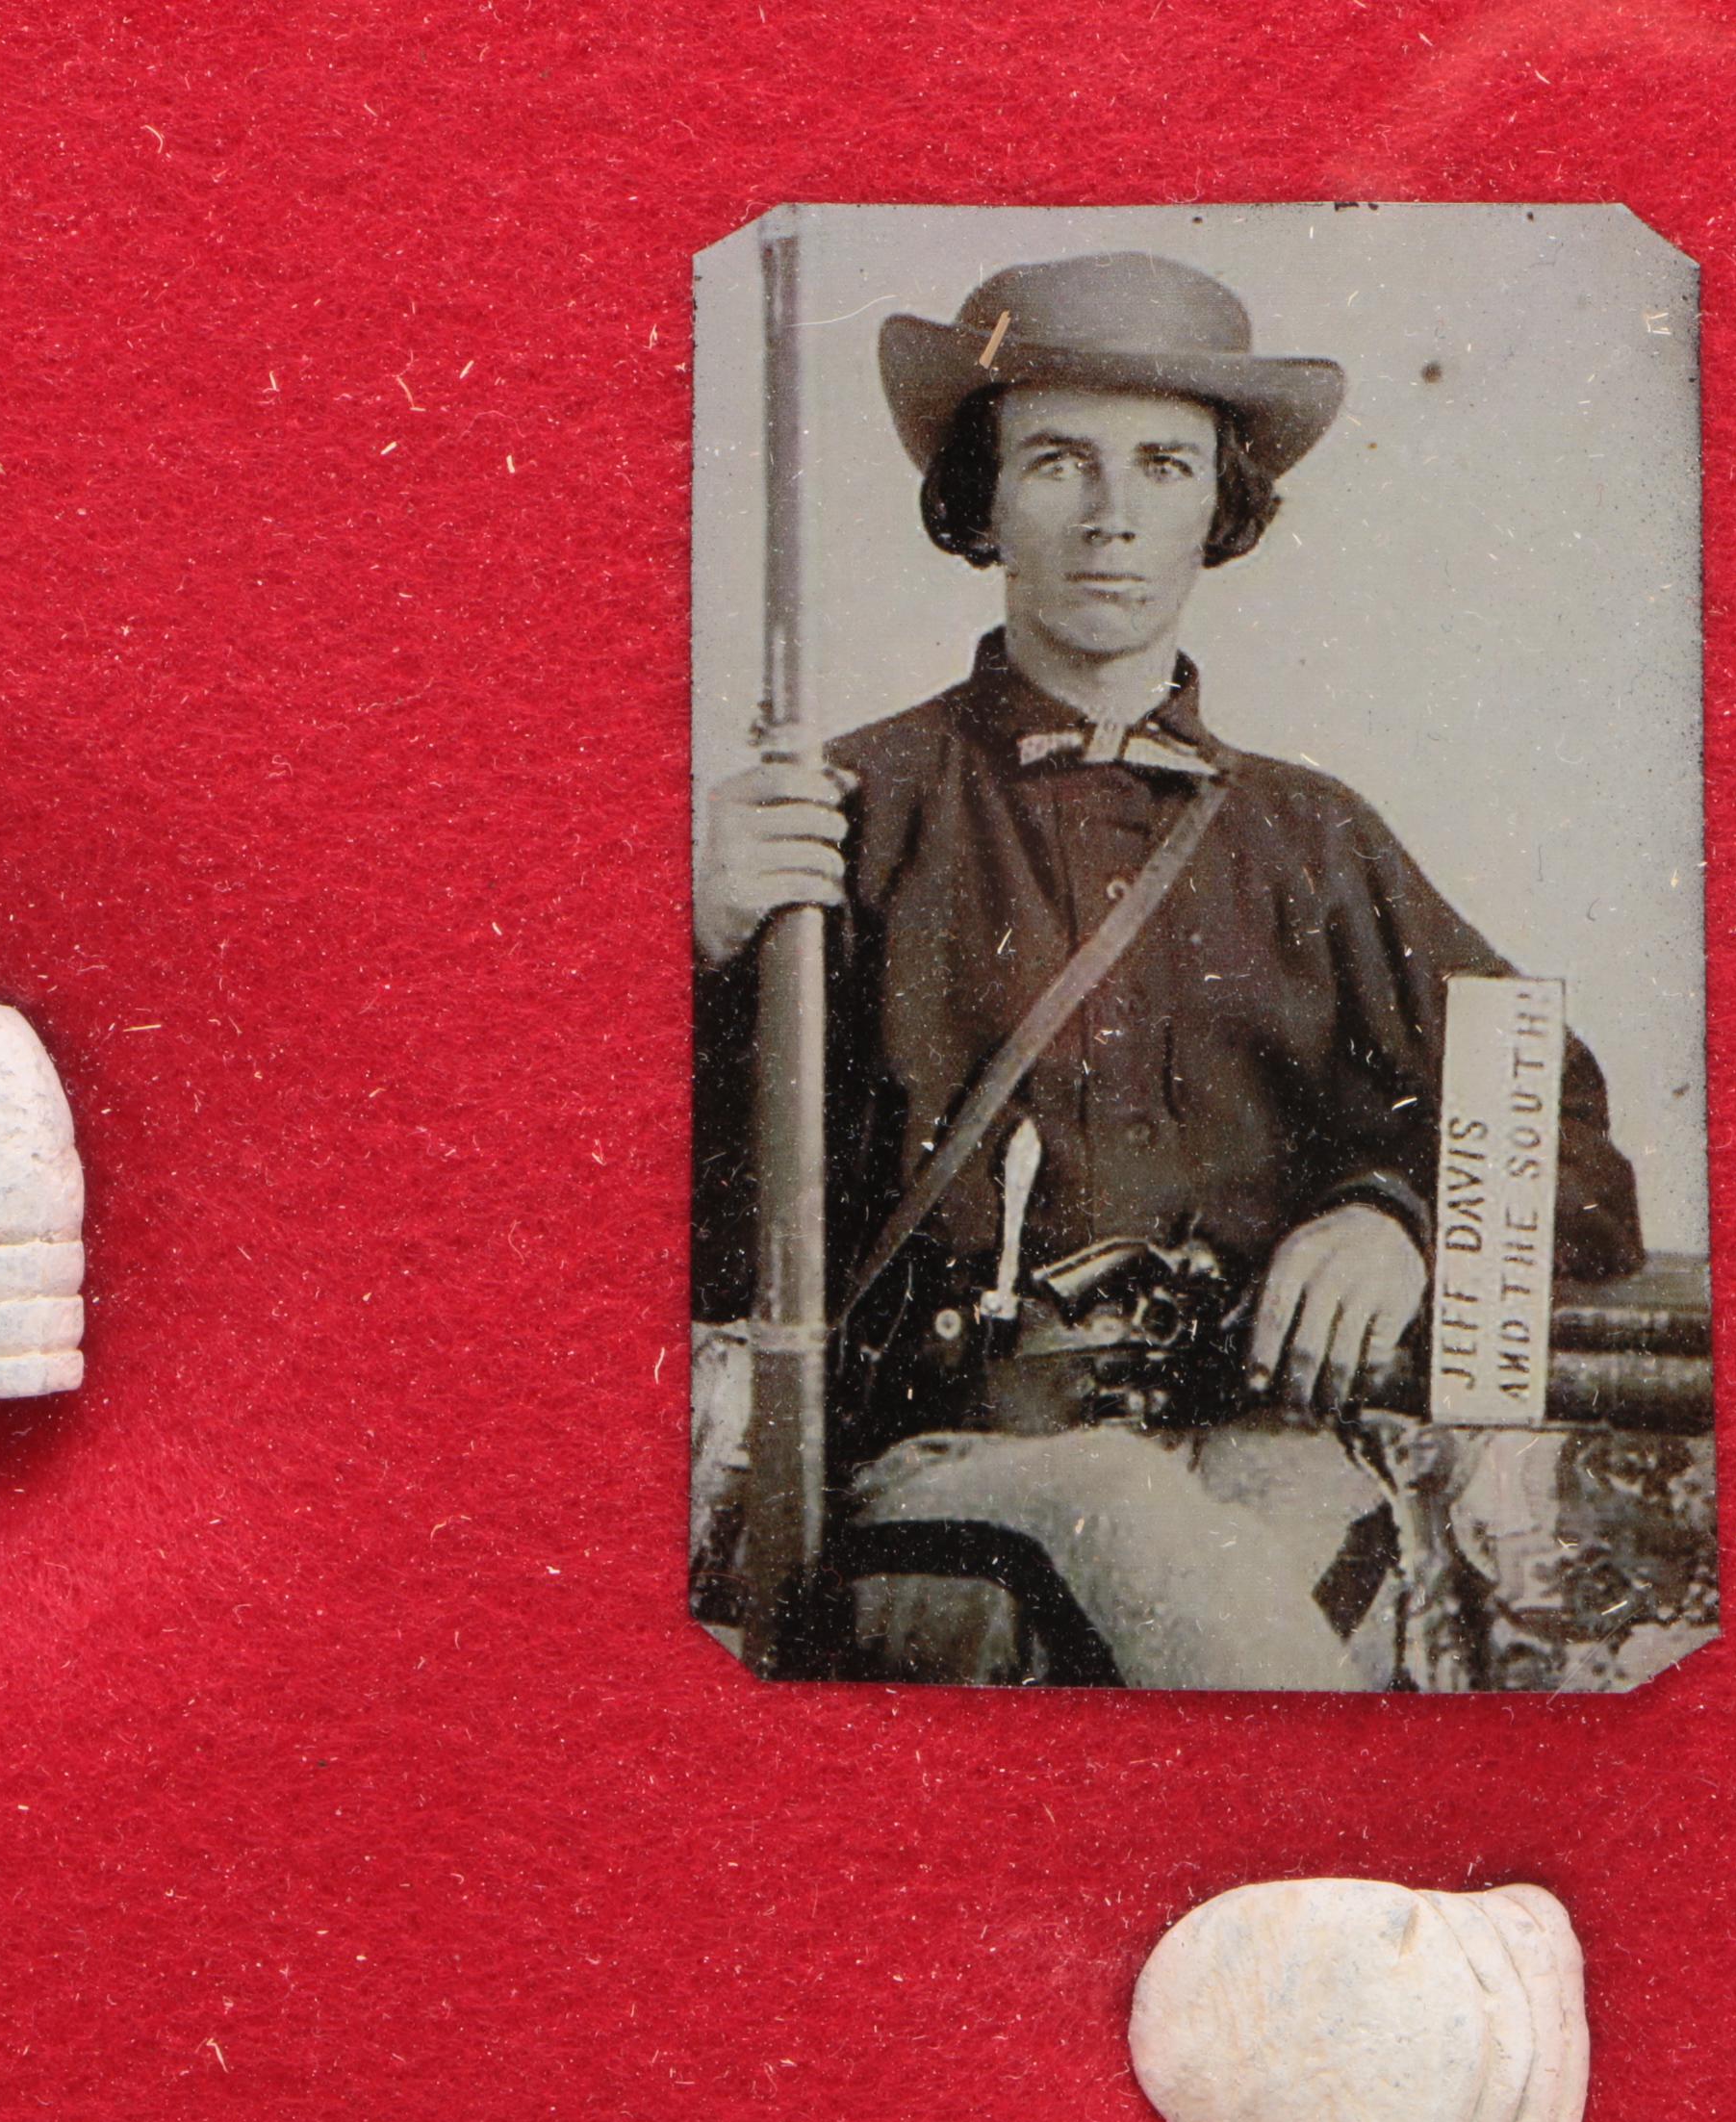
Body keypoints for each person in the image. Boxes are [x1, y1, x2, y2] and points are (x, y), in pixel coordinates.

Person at [692, 250, 1643, 1679]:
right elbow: (666, 1223)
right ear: (982, 498)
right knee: (1119, 1506)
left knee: (1274, 1541)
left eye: (1165, 465)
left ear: (1223, 504)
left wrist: (1400, 1220)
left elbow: (1563, 1138)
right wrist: (698, 951)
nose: (1114, 518)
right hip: (942, 1488)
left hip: (1256, 1466)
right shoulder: (835, 817)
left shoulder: (1314, 841)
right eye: (1057, 461)